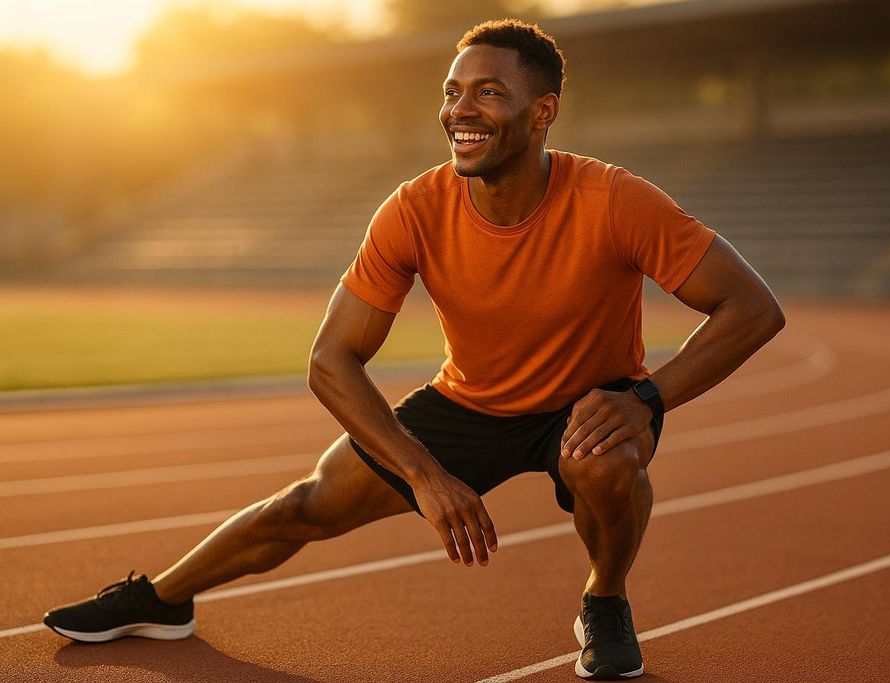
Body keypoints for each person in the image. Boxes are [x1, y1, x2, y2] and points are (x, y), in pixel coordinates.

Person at [43, 18, 785, 680]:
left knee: (606, 458)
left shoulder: (615, 199)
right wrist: (426, 477)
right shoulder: (414, 208)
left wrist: (646, 398)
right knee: (306, 504)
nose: (460, 109)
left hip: (589, 403)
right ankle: (162, 599)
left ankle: (605, 598)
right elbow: (330, 360)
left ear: (543, 112)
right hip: (468, 402)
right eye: (453, 91)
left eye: (488, 93)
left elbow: (752, 307)